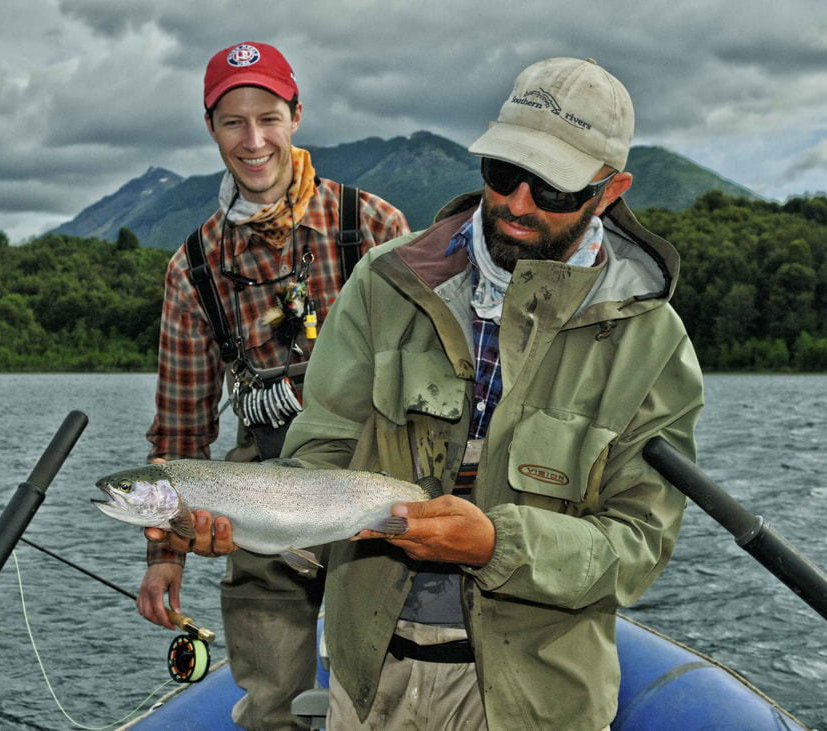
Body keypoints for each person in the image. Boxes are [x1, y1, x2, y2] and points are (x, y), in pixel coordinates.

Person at [276, 57, 706, 729]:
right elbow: (320, 452)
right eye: (502, 174)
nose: (516, 204)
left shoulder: (654, 344)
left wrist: (495, 544)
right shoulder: (383, 283)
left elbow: (638, 544)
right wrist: (250, 524)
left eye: (553, 188)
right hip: (369, 682)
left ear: (610, 188)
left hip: (536, 703)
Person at [138, 41, 409, 731]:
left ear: (296, 115)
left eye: (268, 117)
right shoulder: (192, 268)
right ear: (211, 128)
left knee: (395, 697)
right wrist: (165, 553)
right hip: (259, 497)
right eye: (233, 122)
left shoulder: (373, 226)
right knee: (269, 710)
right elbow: (179, 430)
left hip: (372, 483)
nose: (253, 140)